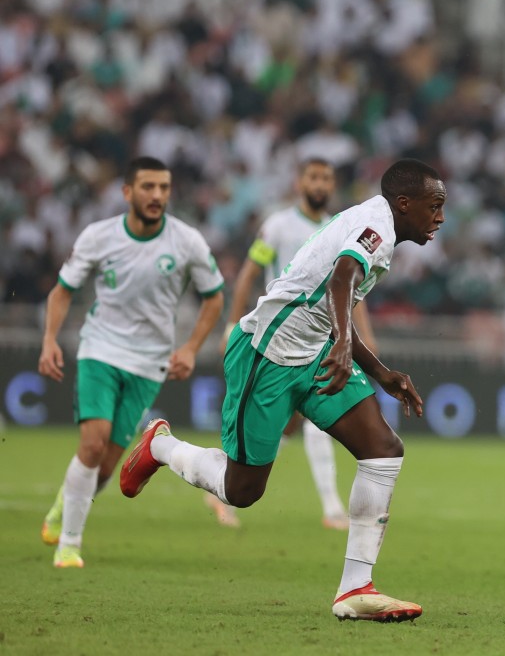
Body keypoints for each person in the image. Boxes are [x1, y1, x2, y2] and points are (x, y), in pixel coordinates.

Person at [119, 158, 446, 622]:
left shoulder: (378, 221)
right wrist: (344, 344)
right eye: (434, 206)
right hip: (268, 354)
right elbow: (341, 279)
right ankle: (162, 445)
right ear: (404, 203)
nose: (440, 217)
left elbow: (334, 298)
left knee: (383, 450)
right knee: (242, 490)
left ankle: (355, 588)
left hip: (314, 353)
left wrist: (380, 371)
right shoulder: (375, 226)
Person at [38, 156, 225, 568]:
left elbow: (215, 296)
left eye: (163, 188)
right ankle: (69, 544)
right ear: (127, 192)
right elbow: (62, 290)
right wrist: (50, 340)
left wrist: (191, 347)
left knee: (106, 465)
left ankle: (60, 508)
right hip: (100, 350)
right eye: (148, 187)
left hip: (149, 363)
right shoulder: (98, 236)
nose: (157, 195)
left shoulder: (187, 241)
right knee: (93, 441)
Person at [208, 157, 378, 530]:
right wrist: (232, 324)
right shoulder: (278, 227)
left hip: (319, 339)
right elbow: (250, 273)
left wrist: (363, 338)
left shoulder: (340, 227)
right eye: (314, 177)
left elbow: (350, 291)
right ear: (300, 183)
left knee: (306, 422)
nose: (320, 185)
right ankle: (221, 478)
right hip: (277, 339)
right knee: (281, 427)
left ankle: (331, 507)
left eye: (327, 179)